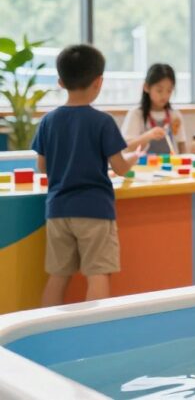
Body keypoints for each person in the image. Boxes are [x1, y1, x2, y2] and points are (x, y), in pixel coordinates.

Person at [31, 45, 138, 306]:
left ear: (60, 82)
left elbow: (41, 167)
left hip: (58, 210)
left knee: (58, 275)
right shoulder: (102, 122)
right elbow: (120, 167)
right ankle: (95, 332)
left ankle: (44, 331)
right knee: (97, 273)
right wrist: (132, 162)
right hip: (95, 210)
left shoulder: (48, 121)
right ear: (99, 82)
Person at [121, 63, 186, 154]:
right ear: (146, 87)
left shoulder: (174, 114)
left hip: (170, 165)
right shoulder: (136, 113)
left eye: (169, 91)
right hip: (143, 166)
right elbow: (126, 147)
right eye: (159, 90)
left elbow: (181, 144)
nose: (164, 95)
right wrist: (148, 136)